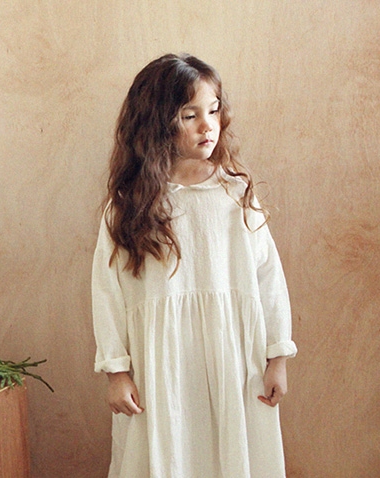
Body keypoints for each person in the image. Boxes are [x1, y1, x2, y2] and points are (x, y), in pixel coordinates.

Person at [91, 53, 297, 477]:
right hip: (161, 368)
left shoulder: (236, 195)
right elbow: (107, 291)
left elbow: (268, 277)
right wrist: (116, 371)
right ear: (156, 123)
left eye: (214, 110)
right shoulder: (128, 207)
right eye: (190, 115)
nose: (208, 126)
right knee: (165, 454)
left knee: (232, 455)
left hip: (234, 362)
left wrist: (278, 355)